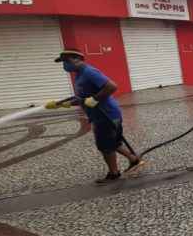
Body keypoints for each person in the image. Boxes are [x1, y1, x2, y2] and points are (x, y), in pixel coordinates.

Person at [45, 49, 145, 183]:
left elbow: (111, 86)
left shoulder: (89, 72)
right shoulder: (79, 74)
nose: (64, 65)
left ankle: (114, 174)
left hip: (106, 114)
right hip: (100, 115)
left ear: (76, 59)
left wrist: (95, 99)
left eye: (66, 61)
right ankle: (134, 160)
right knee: (112, 143)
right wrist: (61, 103)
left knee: (105, 145)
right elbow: (81, 97)